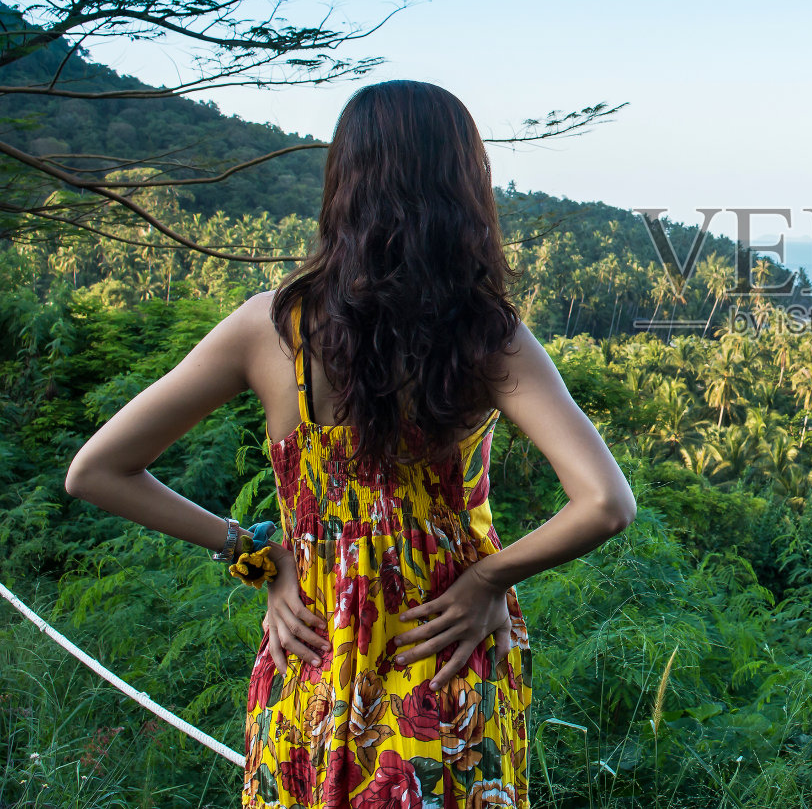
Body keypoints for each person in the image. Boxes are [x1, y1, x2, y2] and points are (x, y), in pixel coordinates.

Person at [64, 80, 637, 808]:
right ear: (464, 188)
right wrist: (489, 578)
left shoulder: (267, 330)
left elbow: (97, 470)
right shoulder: (490, 338)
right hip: (446, 662)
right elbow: (605, 502)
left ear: (344, 183)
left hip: (313, 655)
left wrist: (256, 553)